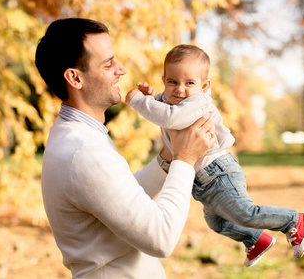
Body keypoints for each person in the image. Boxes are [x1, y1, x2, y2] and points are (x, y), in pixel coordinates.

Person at [35, 18, 217, 278]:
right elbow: (161, 238)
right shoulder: (82, 150)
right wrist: (185, 160)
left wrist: (168, 157)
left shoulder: (76, 133)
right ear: (75, 78)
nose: (120, 69)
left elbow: (118, 199)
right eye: (108, 64)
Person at [125, 44, 304, 267]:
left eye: (189, 83)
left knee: (245, 213)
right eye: (172, 82)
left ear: (204, 86)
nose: (180, 89)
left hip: (219, 172)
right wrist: (152, 99)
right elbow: (163, 110)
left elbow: (170, 118)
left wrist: (138, 101)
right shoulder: (172, 101)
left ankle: (294, 221)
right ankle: (256, 239)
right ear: (164, 79)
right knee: (217, 223)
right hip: (202, 181)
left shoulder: (197, 102)